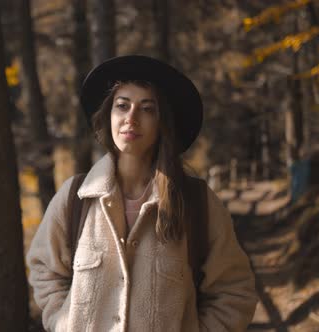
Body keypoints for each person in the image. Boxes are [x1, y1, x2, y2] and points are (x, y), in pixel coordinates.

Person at [26, 55, 258, 332]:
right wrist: (63, 322)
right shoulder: (74, 198)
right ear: (108, 115)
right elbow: (44, 271)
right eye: (122, 106)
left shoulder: (197, 203)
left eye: (147, 109)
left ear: (162, 124)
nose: (131, 118)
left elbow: (235, 291)